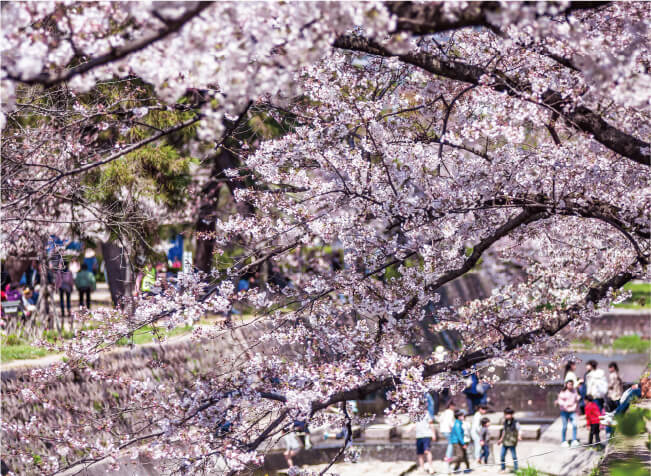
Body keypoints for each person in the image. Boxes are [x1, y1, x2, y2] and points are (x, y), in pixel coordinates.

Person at [555, 379, 581, 447]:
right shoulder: (563, 392)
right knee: (565, 426)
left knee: (575, 425)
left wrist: (578, 399)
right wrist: (565, 405)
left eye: (571, 384)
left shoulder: (574, 391)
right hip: (564, 411)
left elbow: (577, 398)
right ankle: (563, 441)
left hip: (572, 411)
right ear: (566, 385)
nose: (570, 385)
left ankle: (574, 440)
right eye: (569, 384)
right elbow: (560, 401)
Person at [498, 407, 521, 473]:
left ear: (512, 414)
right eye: (505, 414)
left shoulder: (515, 422)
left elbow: (519, 429)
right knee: (502, 455)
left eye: (508, 414)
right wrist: (500, 439)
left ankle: (516, 469)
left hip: (512, 442)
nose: (506, 416)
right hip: (505, 442)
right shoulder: (505, 422)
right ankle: (503, 468)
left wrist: (519, 436)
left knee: (514, 456)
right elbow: (504, 431)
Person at [439, 401, 456, 466]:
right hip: (448, 430)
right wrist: (453, 429)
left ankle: (448, 456)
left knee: (450, 442)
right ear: (451, 406)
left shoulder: (444, 412)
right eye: (454, 406)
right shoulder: (450, 412)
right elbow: (450, 422)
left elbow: (440, 419)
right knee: (451, 443)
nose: (454, 407)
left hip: (443, 429)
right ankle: (448, 457)